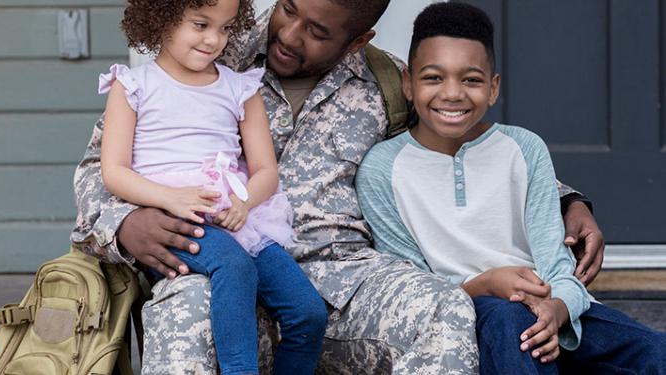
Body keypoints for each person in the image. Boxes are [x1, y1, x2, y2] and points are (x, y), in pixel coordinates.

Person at [71, 0, 606, 373]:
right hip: (220, 262)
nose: (289, 34)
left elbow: (467, 140)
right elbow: (99, 167)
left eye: (318, 31)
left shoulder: (392, 82)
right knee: (186, 316)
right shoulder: (209, 47)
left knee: (445, 308)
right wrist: (126, 224)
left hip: (348, 278)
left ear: (359, 38)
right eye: (287, 8)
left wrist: (565, 200)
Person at [356, 3, 666, 374]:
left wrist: (559, 309)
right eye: (433, 78)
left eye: (471, 80)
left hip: (549, 303)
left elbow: (556, 263)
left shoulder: (523, 148)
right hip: (466, 314)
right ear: (408, 83)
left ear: (493, 88)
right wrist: (486, 284)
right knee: (510, 325)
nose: (452, 93)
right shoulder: (382, 169)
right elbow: (411, 286)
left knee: (653, 351)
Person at [96, 0, 327, 374]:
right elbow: (115, 172)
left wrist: (244, 202)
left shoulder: (239, 88)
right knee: (233, 266)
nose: (214, 40)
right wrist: (169, 198)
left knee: (307, 312)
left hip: (238, 219)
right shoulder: (133, 86)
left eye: (225, 28)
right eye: (201, 25)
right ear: (161, 16)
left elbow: (266, 169)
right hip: (176, 221)